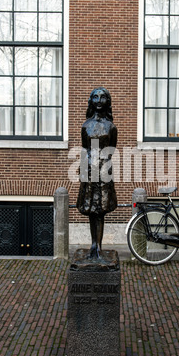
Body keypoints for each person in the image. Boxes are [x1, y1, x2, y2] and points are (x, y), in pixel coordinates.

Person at [76, 87, 117, 258]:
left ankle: (98, 246)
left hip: (103, 169)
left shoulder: (110, 127)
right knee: (91, 209)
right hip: (89, 169)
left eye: (102, 98)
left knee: (100, 210)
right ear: (91, 101)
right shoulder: (86, 126)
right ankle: (93, 245)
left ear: (107, 101)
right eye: (95, 97)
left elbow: (111, 149)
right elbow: (85, 148)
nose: (99, 101)